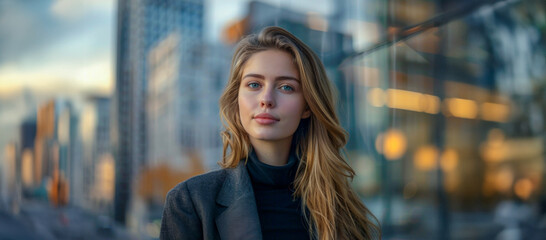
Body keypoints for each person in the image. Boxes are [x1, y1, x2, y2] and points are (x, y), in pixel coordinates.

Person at [160, 26, 381, 240]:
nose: (266, 99)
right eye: (254, 84)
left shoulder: (343, 212)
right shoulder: (190, 202)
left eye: (286, 87)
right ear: (237, 99)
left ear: (307, 107)